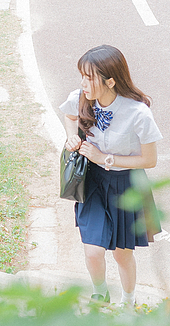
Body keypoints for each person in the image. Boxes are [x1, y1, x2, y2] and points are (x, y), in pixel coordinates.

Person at [60, 45, 162, 309]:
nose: (83, 83)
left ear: (111, 81)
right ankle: (100, 292)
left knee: (121, 254)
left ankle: (128, 301)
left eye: (90, 77)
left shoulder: (138, 114)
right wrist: (72, 135)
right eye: (81, 75)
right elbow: (69, 115)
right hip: (92, 181)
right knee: (92, 250)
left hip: (125, 184)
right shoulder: (82, 98)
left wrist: (104, 158)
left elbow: (149, 160)